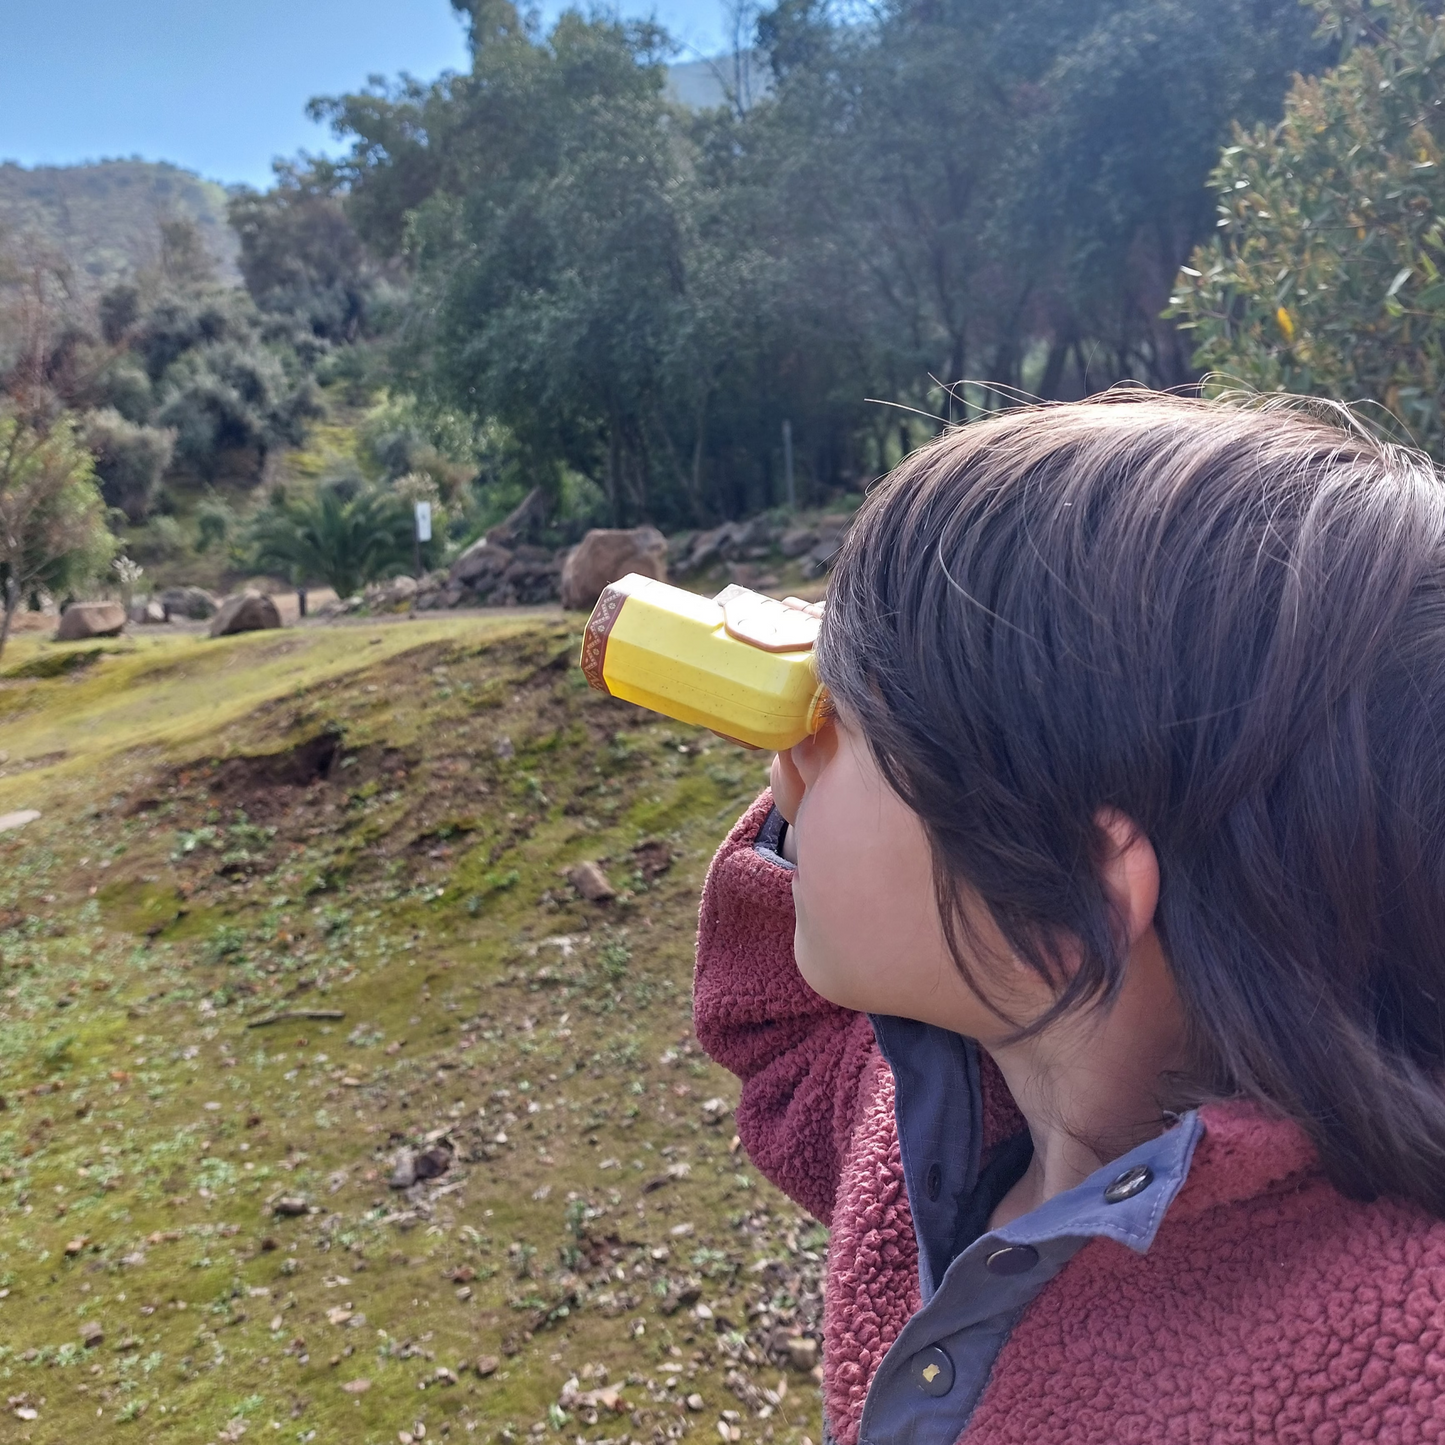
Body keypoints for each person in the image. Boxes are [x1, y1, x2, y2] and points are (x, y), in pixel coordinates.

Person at [693, 391, 1445, 1443]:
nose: (788, 753)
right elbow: (772, 1029)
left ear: (1068, 892)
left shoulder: (1396, 1367)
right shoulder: (932, 1098)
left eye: (841, 722)